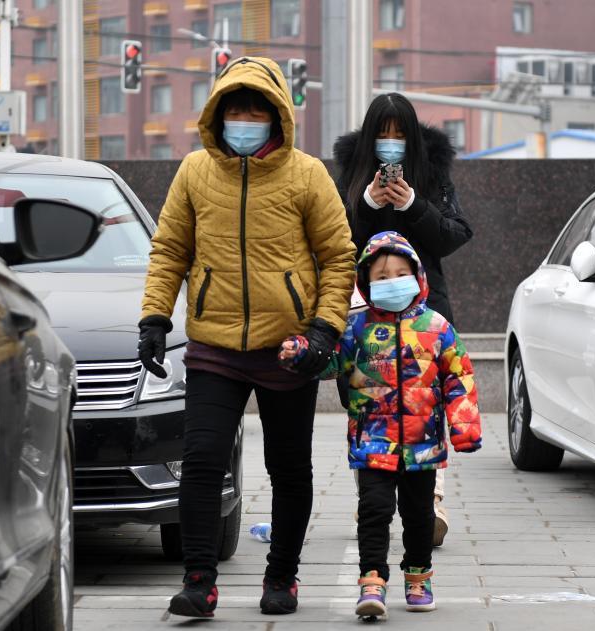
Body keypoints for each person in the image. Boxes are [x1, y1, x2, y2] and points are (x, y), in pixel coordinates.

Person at [137, 56, 356, 618]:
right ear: (217, 114)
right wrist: (155, 320)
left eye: (257, 110)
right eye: (235, 109)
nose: (245, 119)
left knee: (289, 468)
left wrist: (325, 331)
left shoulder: (308, 174)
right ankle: (200, 581)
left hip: (288, 349)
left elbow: (338, 257)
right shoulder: (193, 172)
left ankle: (282, 576)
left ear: (278, 116)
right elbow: (169, 251)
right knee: (203, 458)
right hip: (214, 345)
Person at [279, 231, 482, 618]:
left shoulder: (437, 327)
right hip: (373, 442)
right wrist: (301, 353)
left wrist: (464, 427)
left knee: (419, 514)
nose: (392, 282)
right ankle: (372, 580)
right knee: (373, 510)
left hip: (423, 446)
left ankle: (418, 576)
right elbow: (330, 361)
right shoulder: (358, 329)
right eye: (382, 276)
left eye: (400, 273)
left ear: (417, 276)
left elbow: (459, 376)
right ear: (366, 283)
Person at [333, 93, 473, 546]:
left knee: (423, 401)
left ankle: (430, 501)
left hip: (424, 314)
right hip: (361, 312)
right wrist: (368, 208)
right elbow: (334, 239)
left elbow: (454, 234)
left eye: (398, 134)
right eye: (382, 133)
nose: (390, 143)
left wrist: (414, 203)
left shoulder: (432, 171)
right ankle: (370, 498)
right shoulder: (351, 173)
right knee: (366, 401)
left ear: (410, 137)